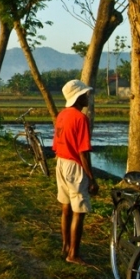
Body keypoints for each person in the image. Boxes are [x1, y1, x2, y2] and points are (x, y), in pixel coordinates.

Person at [52, 79, 99, 266]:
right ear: (78, 97)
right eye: (85, 94)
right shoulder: (81, 118)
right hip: (74, 165)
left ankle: (65, 246)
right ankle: (73, 253)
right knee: (79, 211)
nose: (88, 96)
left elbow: (56, 144)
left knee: (66, 207)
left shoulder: (62, 115)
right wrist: (92, 178)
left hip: (61, 162)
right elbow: (83, 152)